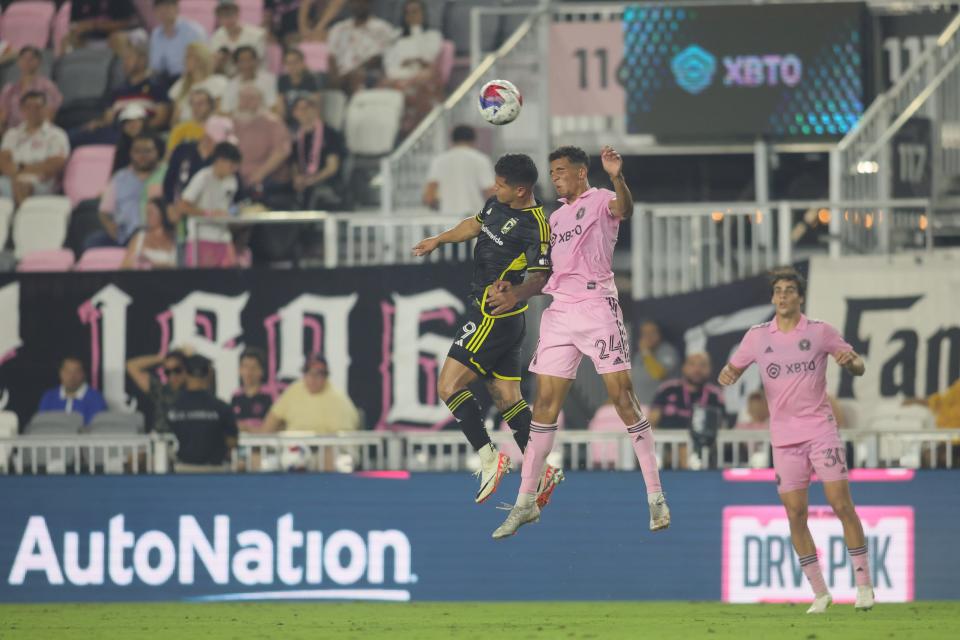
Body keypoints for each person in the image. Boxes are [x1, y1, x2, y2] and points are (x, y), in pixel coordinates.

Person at [489, 145, 669, 539]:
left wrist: (617, 175)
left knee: (622, 399)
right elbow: (544, 272)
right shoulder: (555, 219)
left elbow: (626, 210)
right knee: (543, 407)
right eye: (551, 172)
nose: (554, 178)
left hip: (597, 306)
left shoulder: (601, 198)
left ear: (581, 172)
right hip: (560, 313)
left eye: (560, 171)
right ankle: (525, 502)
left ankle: (655, 494)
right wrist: (514, 286)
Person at [717, 266, 875, 613]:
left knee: (841, 505)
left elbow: (858, 365)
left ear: (799, 297)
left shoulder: (820, 332)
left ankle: (863, 585)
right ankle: (820, 593)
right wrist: (727, 375)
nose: (783, 296)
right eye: (778, 291)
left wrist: (853, 364)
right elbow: (731, 370)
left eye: (789, 290)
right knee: (795, 513)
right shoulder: (759, 336)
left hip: (821, 432)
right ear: (773, 297)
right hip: (784, 439)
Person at [412, 153, 560, 505]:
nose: (494, 188)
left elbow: (542, 277)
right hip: (502, 319)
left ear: (521, 190)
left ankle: (489, 457)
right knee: (507, 398)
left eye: (501, 184)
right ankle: (541, 470)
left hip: (494, 315)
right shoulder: (497, 203)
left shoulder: (537, 225)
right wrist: (439, 239)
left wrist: (515, 293)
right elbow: (474, 224)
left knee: (447, 386)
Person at [69, 42, 170, 149]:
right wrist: (99, 123)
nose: (124, 62)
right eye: (123, 59)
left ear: (142, 60)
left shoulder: (156, 86)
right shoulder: (117, 90)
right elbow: (109, 118)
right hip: (116, 131)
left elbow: (161, 118)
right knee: (73, 136)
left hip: (142, 132)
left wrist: (138, 127)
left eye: (129, 58)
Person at [85, 133, 164, 249]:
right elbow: (104, 211)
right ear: (130, 153)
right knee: (92, 242)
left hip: (154, 233)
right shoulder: (120, 178)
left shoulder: (166, 174)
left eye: (147, 151)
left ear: (157, 152)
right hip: (124, 233)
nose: (142, 156)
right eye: (137, 151)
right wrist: (109, 225)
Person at [175, 141, 243, 268]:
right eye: (232, 165)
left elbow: (227, 207)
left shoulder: (232, 181)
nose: (234, 169)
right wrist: (208, 214)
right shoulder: (202, 177)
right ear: (220, 160)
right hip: (201, 237)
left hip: (223, 237)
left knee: (231, 277)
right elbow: (182, 206)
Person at [168, 355, 238, 473]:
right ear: (209, 374)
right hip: (216, 472)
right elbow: (232, 441)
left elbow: (165, 434)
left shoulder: (174, 407)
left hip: (183, 471)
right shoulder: (221, 407)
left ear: (185, 373)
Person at [381, 0, 442, 133]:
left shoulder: (433, 35)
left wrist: (416, 30)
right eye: (408, 13)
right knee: (382, 84)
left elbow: (428, 58)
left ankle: (415, 130)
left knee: (423, 79)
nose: (411, 16)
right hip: (398, 75)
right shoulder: (396, 36)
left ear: (423, 14)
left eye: (415, 12)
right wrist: (413, 61)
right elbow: (390, 63)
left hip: (421, 76)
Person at [0, 92, 69, 206]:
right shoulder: (12, 134)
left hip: (43, 182)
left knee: (23, 185)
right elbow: (3, 162)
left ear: (45, 109)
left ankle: (21, 220)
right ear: (22, 110)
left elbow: (53, 165)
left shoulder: (56, 135)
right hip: (11, 179)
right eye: (29, 107)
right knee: (16, 183)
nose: (33, 111)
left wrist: (20, 168)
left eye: (38, 107)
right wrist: (19, 173)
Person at [263, 354, 359, 433]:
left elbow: (344, 443)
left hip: (325, 452)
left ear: (326, 376)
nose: (313, 378)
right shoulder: (294, 390)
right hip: (293, 451)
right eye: (309, 373)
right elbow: (270, 423)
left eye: (319, 374)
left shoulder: (339, 400)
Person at [232, 84, 292, 202]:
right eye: (243, 98)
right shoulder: (232, 123)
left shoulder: (273, 123)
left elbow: (281, 151)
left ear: (260, 101)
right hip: (236, 178)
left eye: (251, 98)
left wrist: (260, 174)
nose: (246, 103)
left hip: (267, 178)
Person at [422, 125, 495, 217]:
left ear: (452, 141)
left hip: (445, 218)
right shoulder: (480, 159)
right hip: (473, 218)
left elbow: (429, 196)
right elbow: (489, 192)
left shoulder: (439, 161)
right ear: (474, 141)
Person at [326, 0, 397, 94]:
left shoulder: (383, 29)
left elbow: (379, 58)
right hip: (341, 80)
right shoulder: (338, 29)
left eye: (362, 2)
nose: (358, 5)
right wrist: (336, 80)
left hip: (369, 77)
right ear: (349, 4)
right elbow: (331, 57)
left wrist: (353, 73)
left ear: (369, 3)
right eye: (354, 2)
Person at [291, 96, 344, 208]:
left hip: (325, 181)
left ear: (315, 110)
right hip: (304, 180)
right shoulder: (295, 136)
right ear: (294, 113)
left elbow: (332, 167)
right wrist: (297, 178)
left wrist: (313, 180)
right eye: (300, 109)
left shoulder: (330, 134)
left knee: (314, 193)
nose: (304, 112)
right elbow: (294, 163)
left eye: (307, 108)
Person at [0, 46, 63, 134]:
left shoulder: (48, 87)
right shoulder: (9, 89)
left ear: (39, 62)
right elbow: (2, 118)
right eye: (24, 58)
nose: (27, 62)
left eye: (31, 58)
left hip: (39, 134)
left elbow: (49, 117)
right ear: (18, 62)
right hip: (13, 135)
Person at [126, 349, 189, 433]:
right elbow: (131, 366)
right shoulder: (161, 391)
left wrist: (189, 359)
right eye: (167, 372)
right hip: (162, 440)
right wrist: (162, 358)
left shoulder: (196, 392)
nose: (172, 376)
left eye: (177, 370)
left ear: (186, 369)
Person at [167, 43, 227, 126]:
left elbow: (219, 112)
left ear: (200, 59)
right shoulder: (180, 85)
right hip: (185, 129)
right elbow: (175, 118)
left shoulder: (218, 82)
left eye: (188, 57)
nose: (184, 60)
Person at [37, 357, 108, 426]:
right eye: (68, 371)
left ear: (83, 374)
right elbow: (42, 424)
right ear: (61, 373)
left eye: (76, 372)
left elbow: (97, 427)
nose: (72, 376)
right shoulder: (49, 397)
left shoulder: (96, 398)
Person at [149, 0, 206, 81]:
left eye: (167, 6)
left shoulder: (193, 31)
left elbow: (203, 63)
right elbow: (154, 67)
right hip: (162, 80)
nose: (163, 11)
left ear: (177, 7)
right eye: (159, 7)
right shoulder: (155, 34)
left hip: (188, 78)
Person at [211, 1, 267, 76]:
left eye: (229, 14)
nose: (227, 20)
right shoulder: (217, 36)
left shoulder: (257, 35)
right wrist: (219, 62)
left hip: (255, 78)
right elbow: (213, 66)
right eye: (222, 16)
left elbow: (256, 63)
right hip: (226, 80)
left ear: (237, 13)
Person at [631, 319, 680, 405]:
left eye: (652, 332)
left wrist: (646, 353)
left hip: (659, 409)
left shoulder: (667, 351)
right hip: (638, 408)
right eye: (645, 333)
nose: (649, 336)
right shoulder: (639, 355)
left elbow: (659, 374)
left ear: (659, 334)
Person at [220, 46, 280, 115]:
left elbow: (273, 107)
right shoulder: (230, 86)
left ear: (256, 61)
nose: (247, 65)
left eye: (250, 60)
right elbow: (226, 111)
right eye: (242, 61)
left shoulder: (269, 80)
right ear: (236, 64)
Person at [121, 197, 177, 269]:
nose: (148, 216)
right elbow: (125, 267)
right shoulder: (139, 238)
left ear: (162, 213)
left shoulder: (174, 238)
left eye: (151, 212)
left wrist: (155, 264)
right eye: (147, 213)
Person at [67, 0, 138, 52]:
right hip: (88, 38)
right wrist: (78, 28)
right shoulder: (77, 2)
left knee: (117, 38)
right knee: (69, 38)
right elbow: (73, 23)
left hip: (115, 36)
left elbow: (126, 22)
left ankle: (119, 71)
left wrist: (95, 25)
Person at [277, 47, 322, 127]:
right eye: (288, 63)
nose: (292, 66)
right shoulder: (282, 80)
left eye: (295, 62)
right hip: (289, 122)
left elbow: (317, 106)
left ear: (302, 63)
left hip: (307, 121)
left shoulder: (310, 80)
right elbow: (281, 107)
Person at [232, 347, 273, 431]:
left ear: (262, 371)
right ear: (240, 370)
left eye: (253, 368)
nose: (248, 372)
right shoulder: (235, 396)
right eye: (245, 367)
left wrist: (248, 429)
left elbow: (275, 427)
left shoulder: (270, 396)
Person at [166, 88, 216, 155]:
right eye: (193, 104)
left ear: (210, 106)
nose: (195, 108)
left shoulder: (219, 127)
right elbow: (170, 154)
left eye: (200, 104)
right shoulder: (180, 128)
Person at [110, 103, 150, 174]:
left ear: (144, 123)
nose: (132, 125)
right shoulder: (121, 148)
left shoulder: (156, 143)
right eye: (128, 122)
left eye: (136, 121)